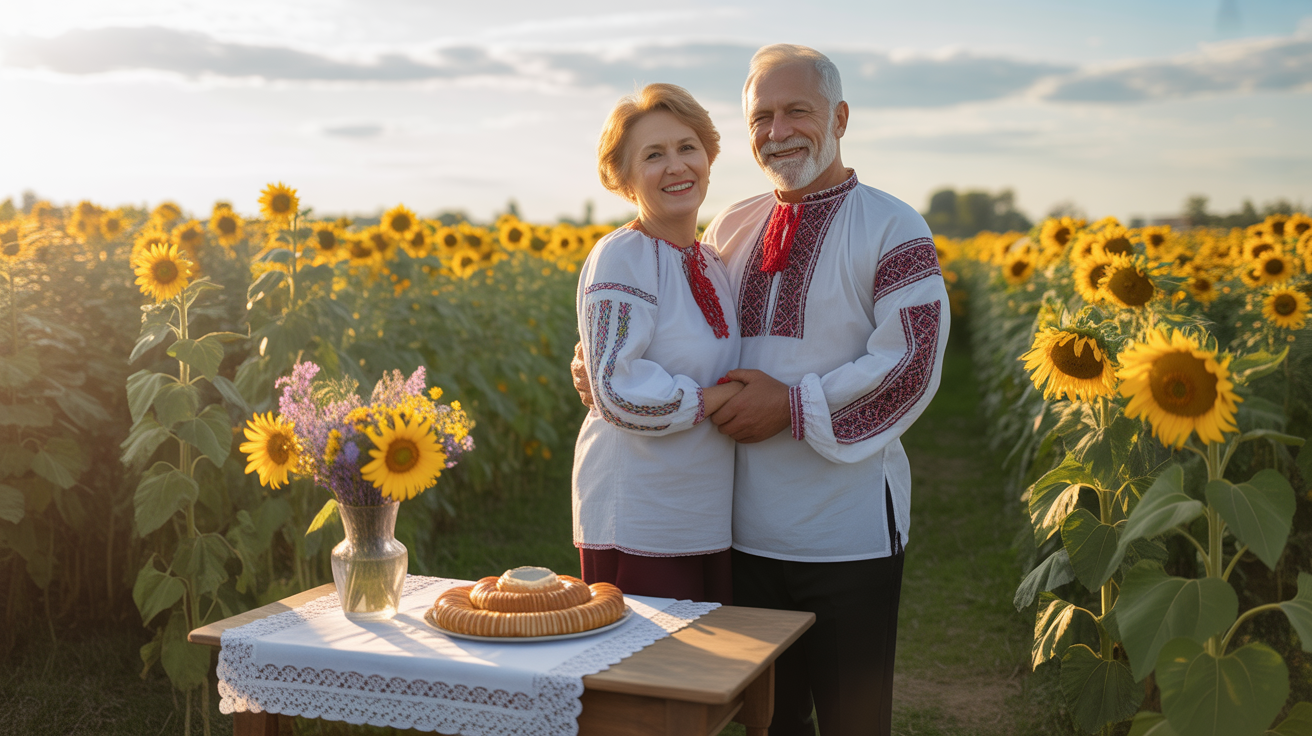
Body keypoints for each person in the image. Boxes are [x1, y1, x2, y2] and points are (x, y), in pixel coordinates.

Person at [573, 46, 950, 735]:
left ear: (839, 116)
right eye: (762, 116)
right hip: (735, 532)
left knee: (852, 719)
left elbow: (911, 365)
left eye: (797, 111)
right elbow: (666, 335)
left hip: (846, 532)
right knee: (766, 722)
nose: (778, 131)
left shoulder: (894, 226)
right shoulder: (730, 229)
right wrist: (594, 365)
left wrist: (793, 404)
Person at [571, 83, 744, 604]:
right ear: (624, 178)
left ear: (709, 159)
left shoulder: (711, 262)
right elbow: (618, 390)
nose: (676, 166)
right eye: (653, 155)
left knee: (708, 674)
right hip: (640, 510)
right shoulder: (624, 255)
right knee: (650, 672)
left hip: (701, 506)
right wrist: (720, 399)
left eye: (687, 148)